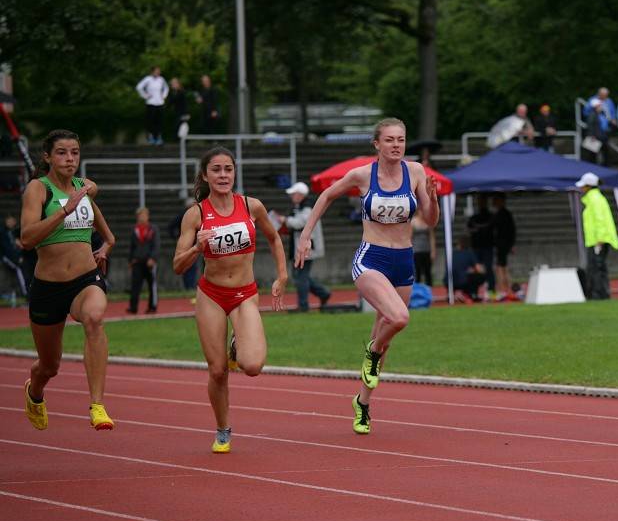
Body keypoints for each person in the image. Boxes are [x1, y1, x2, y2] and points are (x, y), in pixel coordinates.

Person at [295, 117, 438, 435]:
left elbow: (429, 220)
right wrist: (305, 236)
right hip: (371, 258)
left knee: (385, 334)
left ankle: (363, 405)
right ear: (377, 144)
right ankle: (371, 352)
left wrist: (434, 200)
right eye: (389, 140)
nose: (396, 145)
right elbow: (326, 196)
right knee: (399, 318)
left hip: (403, 260)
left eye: (400, 139)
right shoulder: (362, 175)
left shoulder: (415, 172)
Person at [172, 146, 288, 453]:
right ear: (205, 175)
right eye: (216, 170)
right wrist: (197, 248)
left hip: (244, 293)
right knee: (218, 370)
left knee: (252, 365)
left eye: (228, 169)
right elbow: (177, 265)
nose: (223, 175)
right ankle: (223, 429)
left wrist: (282, 275)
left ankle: (237, 345)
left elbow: (274, 238)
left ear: (234, 173)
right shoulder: (195, 214)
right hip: (211, 294)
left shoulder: (252, 206)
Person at [19, 129, 116, 431]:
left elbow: (93, 212)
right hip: (48, 288)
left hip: (85, 279)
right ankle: (34, 393)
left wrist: (108, 242)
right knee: (49, 366)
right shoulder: (38, 189)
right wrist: (64, 210)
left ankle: (98, 406)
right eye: (62, 152)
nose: (70, 158)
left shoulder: (83, 187)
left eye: (74, 152)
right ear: (47, 156)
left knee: (94, 316)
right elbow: (26, 239)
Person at [281, 181, 332, 312]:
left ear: (300, 194)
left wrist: (285, 221)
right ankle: (323, 293)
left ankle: (303, 305)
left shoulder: (308, 207)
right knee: (300, 275)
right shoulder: (301, 207)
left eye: (294, 194)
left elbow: (300, 223)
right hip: (303, 247)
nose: (292, 196)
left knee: (301, 276)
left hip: (308, 247)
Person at [576, 172, 618, 300]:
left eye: (583, 186)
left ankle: (599, 295)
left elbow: (600, 220)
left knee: (596, 268)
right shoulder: (595, 199)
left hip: (598, 241)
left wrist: (599, 239)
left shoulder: (594, 200)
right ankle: (600, 294)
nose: (582, 188)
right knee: (596, 267)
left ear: (589, 186)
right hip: (596, 240)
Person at [127, 207, 160, 314]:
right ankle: (133, 306)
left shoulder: (152, 229)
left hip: (149, 262)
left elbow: (156, 245)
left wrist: (153, 258)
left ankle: (152, 306)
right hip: (137, 261)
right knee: (135, 284)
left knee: (152, 285)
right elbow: (132, 246)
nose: (142, 217)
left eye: (144, 215)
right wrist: (130, 259)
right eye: (140, 215)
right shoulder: (134, 230)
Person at [466, 194, 495, 296]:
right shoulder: (475, 216)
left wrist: (478, 228)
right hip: (476, 246)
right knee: (475, 269)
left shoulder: (490, 216)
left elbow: (489, 226)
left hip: (487, 246)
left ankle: (491, 289)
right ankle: (474, 291)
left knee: (489, 268)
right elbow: (469, 227)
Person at [168, 197, 199, 291]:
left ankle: (191, 285)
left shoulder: (197, 215)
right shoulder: (183, 215)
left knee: (194, 266)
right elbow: (171, 226)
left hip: (195, 243)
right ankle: (188, 286)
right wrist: (176, 238)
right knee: (187, 265)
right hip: (187, 244)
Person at [135, 66, 169, 145]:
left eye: (159, 71)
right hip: (151, 103)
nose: (158, 73)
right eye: (156, 71)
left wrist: (163, 96)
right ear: (152, 72)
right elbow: (139, 87)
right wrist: (145, 95)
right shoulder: (148, 79)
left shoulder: (161, 79)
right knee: (151, 121)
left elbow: (166, 88)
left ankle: (159, 137)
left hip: (160, 103)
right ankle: (151, 138)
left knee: (159, 121)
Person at [492, 193, 516, 301]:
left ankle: (505, 289)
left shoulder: (505, 214)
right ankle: (507, 289)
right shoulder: (499, 214)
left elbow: (511, 230)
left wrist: (511, 244)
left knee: (501, 267)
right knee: (502, 267)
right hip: (501, 243)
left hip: (504, 244)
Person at [447, 238, 486, 303]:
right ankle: (470, 294)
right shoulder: (470, 253)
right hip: (462, 281)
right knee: (481, 276)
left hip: (449, 281)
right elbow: (479, 269)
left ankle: (451, 294)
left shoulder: (452, 254)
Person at [1, 214, 29, 302]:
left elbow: (19, 245)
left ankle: (25, 292)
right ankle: (25, 293)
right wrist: (18, 257)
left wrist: (20, 255)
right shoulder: (3, 231)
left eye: (12, 221)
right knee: (18, 269)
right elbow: (6, 248)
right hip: (6, 256)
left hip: (17, 255)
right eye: (9, 221)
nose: (10, 223)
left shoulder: (15, 231)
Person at [411, 212, 436, 286]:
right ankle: (418, 292)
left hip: (427, 250)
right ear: (418, 212)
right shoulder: (413, 222)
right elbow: (410, 237)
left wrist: (433, 251)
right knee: (417, 272)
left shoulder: (428, 221)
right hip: (416, 250)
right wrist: (410, 250)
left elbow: (432, 237)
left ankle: (429, 291)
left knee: (428, 272)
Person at [584, 98, 608, 165]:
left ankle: (605, 167)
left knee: (605, 153)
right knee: (593, 154)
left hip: (602, 136)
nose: (601, 106)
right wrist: (591, 134)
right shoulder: (592, 114)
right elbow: (590, 125)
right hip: (595, 136)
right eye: (599, 105)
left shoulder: (602, 113)